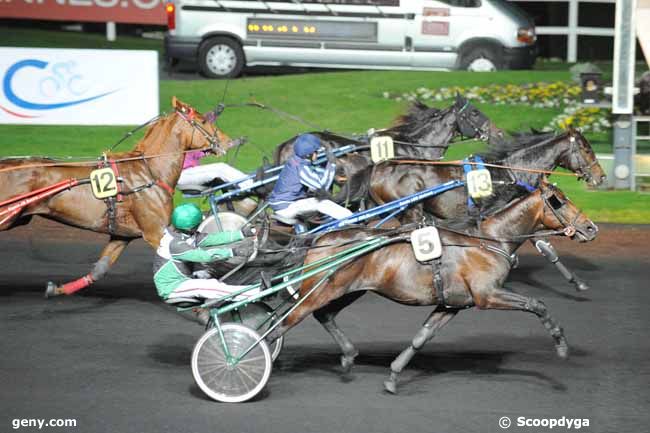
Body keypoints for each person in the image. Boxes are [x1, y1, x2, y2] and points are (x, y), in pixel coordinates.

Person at [153, 203, 258, 303]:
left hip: (184, 277)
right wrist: (232, 252)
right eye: (198, 224)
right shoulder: (175, 244)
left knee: (214, 271)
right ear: (191, 228)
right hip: (172, 287)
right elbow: (204, 256)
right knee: (210, 286)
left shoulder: (185, 234)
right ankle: (255, 293)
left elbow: (212, 238)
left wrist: (241, 234)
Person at [268, 133, 352, 224]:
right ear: (308, 155)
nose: (317, 154)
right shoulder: (301, 168)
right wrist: (331, 164)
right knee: (323, 203)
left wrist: (334, 176)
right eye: (316, 152)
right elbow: (322, 186)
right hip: (286, 207)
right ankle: (352, 219)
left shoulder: (296, 160)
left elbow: (315, 173)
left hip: (284, 203)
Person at [176, 150, 253, 190]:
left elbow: (199, 153)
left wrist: (214, 150)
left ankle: (248, 181)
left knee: (221, 168)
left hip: (190, 173)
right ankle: (250, 185)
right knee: (220, 168)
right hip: (184, 175)